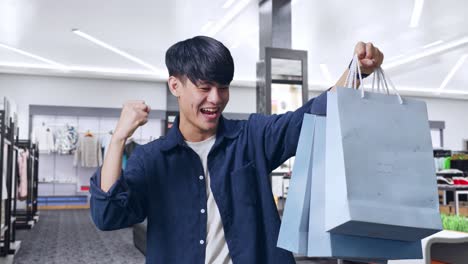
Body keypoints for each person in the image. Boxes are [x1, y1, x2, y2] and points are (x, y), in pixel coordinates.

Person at [90, 36, 384, 264]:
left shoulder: (251, 137)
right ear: (175, 85)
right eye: (205, 87)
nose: (216, 99)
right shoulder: (151, 159)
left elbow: (309, 117)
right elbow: (108, 216)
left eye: (224, 87)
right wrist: (118, 139)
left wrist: (356, 73)